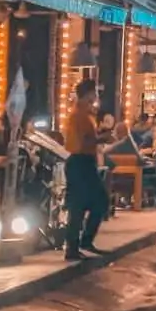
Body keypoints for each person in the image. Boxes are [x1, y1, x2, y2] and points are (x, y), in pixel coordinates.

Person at [62, 79, 108, 261]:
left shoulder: (86, 114)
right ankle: (74, 246)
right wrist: (102, 138)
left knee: (95, 202)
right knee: (80, 206)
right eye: (94, 92)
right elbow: (84, 141)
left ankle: (82, 242)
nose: (96, 96)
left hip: (85, 161)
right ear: (88, 93)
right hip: (80, 161)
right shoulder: (79, 115)